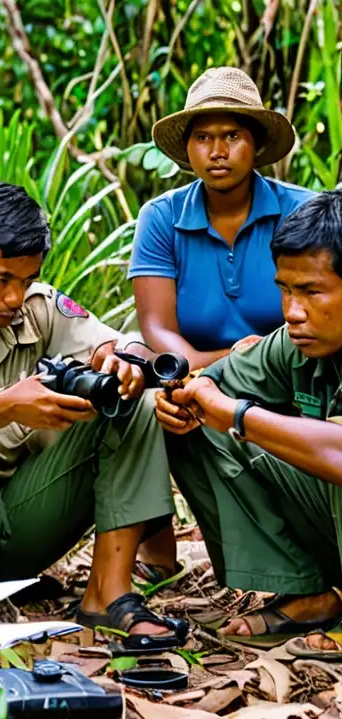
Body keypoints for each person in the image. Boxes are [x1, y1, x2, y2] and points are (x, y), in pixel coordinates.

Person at [0, 180, 186, 650]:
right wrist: (5, 408)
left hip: (11, 527)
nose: (15, 298)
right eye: (2, 279)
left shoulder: (33, 304)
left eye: (27, 280)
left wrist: (125, 357)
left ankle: (110, 593)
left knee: (131, 403)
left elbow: (107, 339)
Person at [128, 66, 313, 579]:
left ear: (254, 143)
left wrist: (257, 361)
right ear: (186, 149)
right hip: (196, 371)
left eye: (231, 135)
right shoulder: (162, 218)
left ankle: (292, 560)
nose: (217, 150)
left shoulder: (302, 212)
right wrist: (230, 361)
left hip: (294, 373)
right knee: (146, 383)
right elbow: (158, 331)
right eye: (204, 137)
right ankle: (158, 551)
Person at [156, 190, 342, 658]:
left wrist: (237, 414)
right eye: (286, 289)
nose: (292, 311)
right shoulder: (294, 343)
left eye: (312, 292)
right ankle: (307, 590)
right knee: (196, 423)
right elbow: (209, 384)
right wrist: (183, 400)